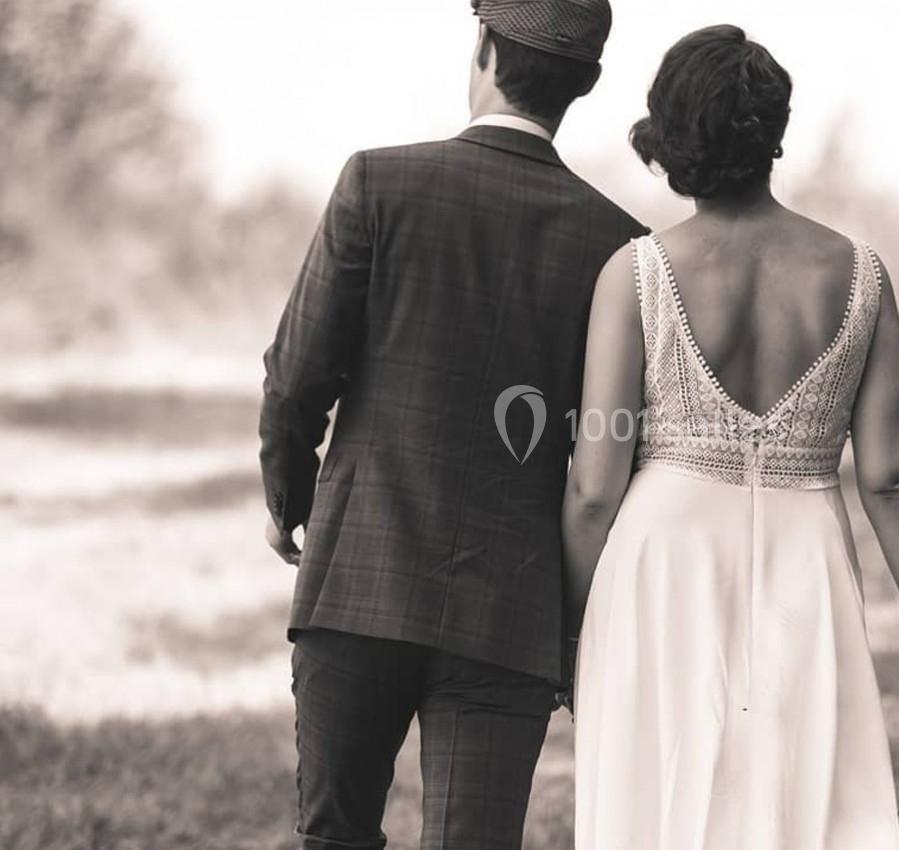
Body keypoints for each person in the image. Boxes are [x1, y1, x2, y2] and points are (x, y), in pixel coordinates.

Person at [563, 25, 899, 850]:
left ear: (673, 134)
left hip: (662, 567)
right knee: (803, 804)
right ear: (775, 132)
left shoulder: (635, 274)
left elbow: (594, 487)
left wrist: (568, 633)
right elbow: (889, 482)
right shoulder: (861, 275)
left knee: (664, 802)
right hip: (805, 562)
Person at [258, 1, 644, 847]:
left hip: (358, 579)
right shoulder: (621, 246)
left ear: (481, 46)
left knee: (335, 836)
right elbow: (610, 456)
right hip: (511, 611)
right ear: (587, 83)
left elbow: (295, 379)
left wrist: (288, 499)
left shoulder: (377, 182)